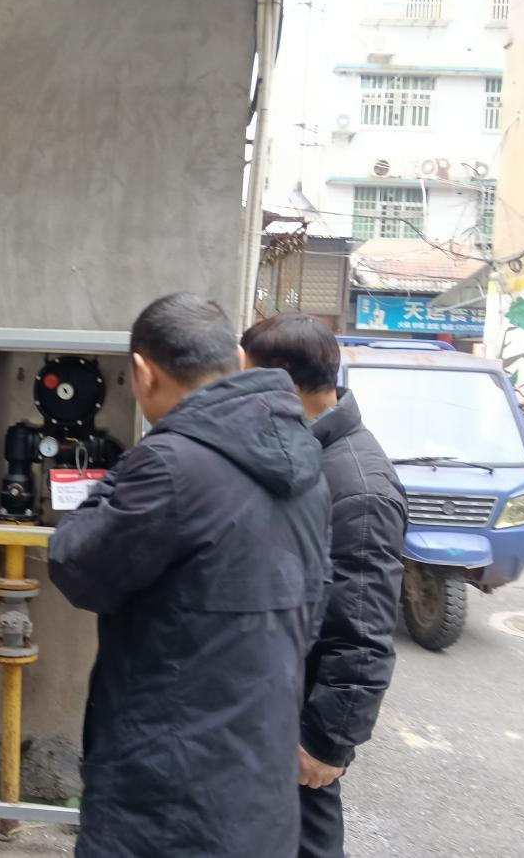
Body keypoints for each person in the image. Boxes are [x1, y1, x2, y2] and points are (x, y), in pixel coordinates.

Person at [48, 293, 332, 858]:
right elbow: (315, 605)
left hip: (163, 802)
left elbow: (77, 566)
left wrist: (115, 477)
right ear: (235, 359)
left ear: (143, 372)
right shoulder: (307, 467)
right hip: (261, 789)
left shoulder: (169, 465)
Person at [241, 313, 407, 858]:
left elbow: (362, 631)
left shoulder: (357, 486)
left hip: (300, 726)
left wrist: (326, 741)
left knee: (305, 842)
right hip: (270, 705)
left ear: (279, 385)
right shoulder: (302, 451)